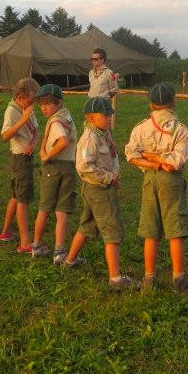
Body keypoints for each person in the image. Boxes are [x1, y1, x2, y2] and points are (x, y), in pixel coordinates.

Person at [124, 83, 188, 292]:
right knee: (175, 229)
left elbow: (131, 155)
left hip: (149, 180)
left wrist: (151, 159)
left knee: (150, 229)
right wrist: (162, 162)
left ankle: (149, 277)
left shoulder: (141, 127)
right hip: (171, 181)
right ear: (173, 101)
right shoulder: (180, 130)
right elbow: (176, 161)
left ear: (151, 104)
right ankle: (178, 278)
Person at [61, 97, 135, 290]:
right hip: (98, 190)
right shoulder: (90, 138)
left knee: (87, 225)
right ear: (91, 117)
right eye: (105, 115)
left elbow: (113, 155)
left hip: (101, 188)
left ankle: (70, 260)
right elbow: (85, 167)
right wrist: (109, 178)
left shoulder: (104, 133)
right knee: (112, 230)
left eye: (110, 114)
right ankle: (115, 278)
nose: (110, 117)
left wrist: (115, 174)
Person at [30, 84, 78, 263]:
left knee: (45, 208)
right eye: (41, 104)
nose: (43, 107)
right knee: (61, 211)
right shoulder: (66, 115)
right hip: (67, 167)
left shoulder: (56, 121)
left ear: (58, 102)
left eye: (48, 104)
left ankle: (37, 245)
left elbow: (63, 142)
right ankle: (59, 251)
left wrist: (46, 155)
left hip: (54, 167)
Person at [0, 78, 40, 252]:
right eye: (31, 100)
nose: (33, 104)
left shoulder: (27, 107)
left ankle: (6, 232)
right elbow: (5, 135)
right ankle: (24, 243)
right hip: (19, 158)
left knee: (16, 196)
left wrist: (33, 144)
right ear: (21, 97)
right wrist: (23, 119)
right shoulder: (12, 111)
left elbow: (36, 131)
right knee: (22, 200)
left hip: (26, 153)